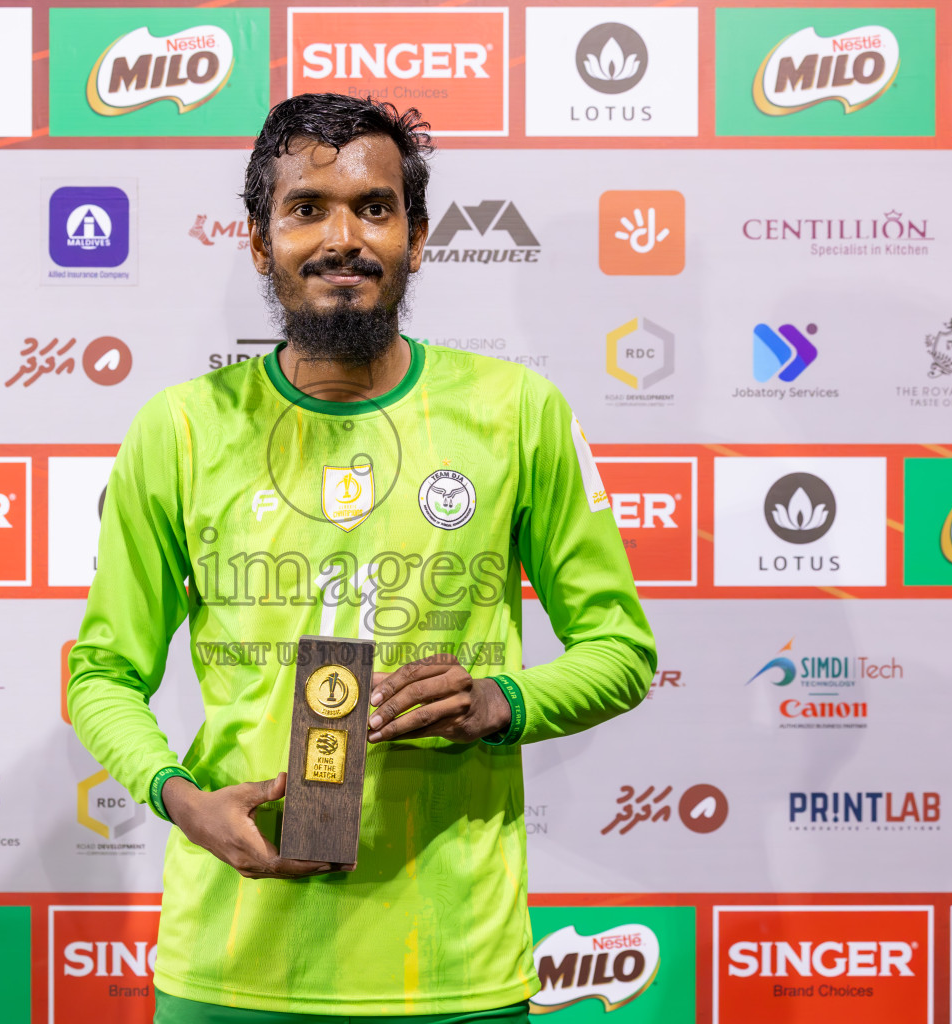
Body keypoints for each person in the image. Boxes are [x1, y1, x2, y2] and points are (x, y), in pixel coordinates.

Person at [67, 93, 656, 1023]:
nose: (343, 237)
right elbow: (102, 671)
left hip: (454, 969)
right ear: (260, 244)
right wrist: (176, 795)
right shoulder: (178, 429)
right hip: (231, 963)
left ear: (416, 238)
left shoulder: (517, 413)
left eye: (374, 208)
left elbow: (622, 651)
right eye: (307, 208)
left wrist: (506, 701)